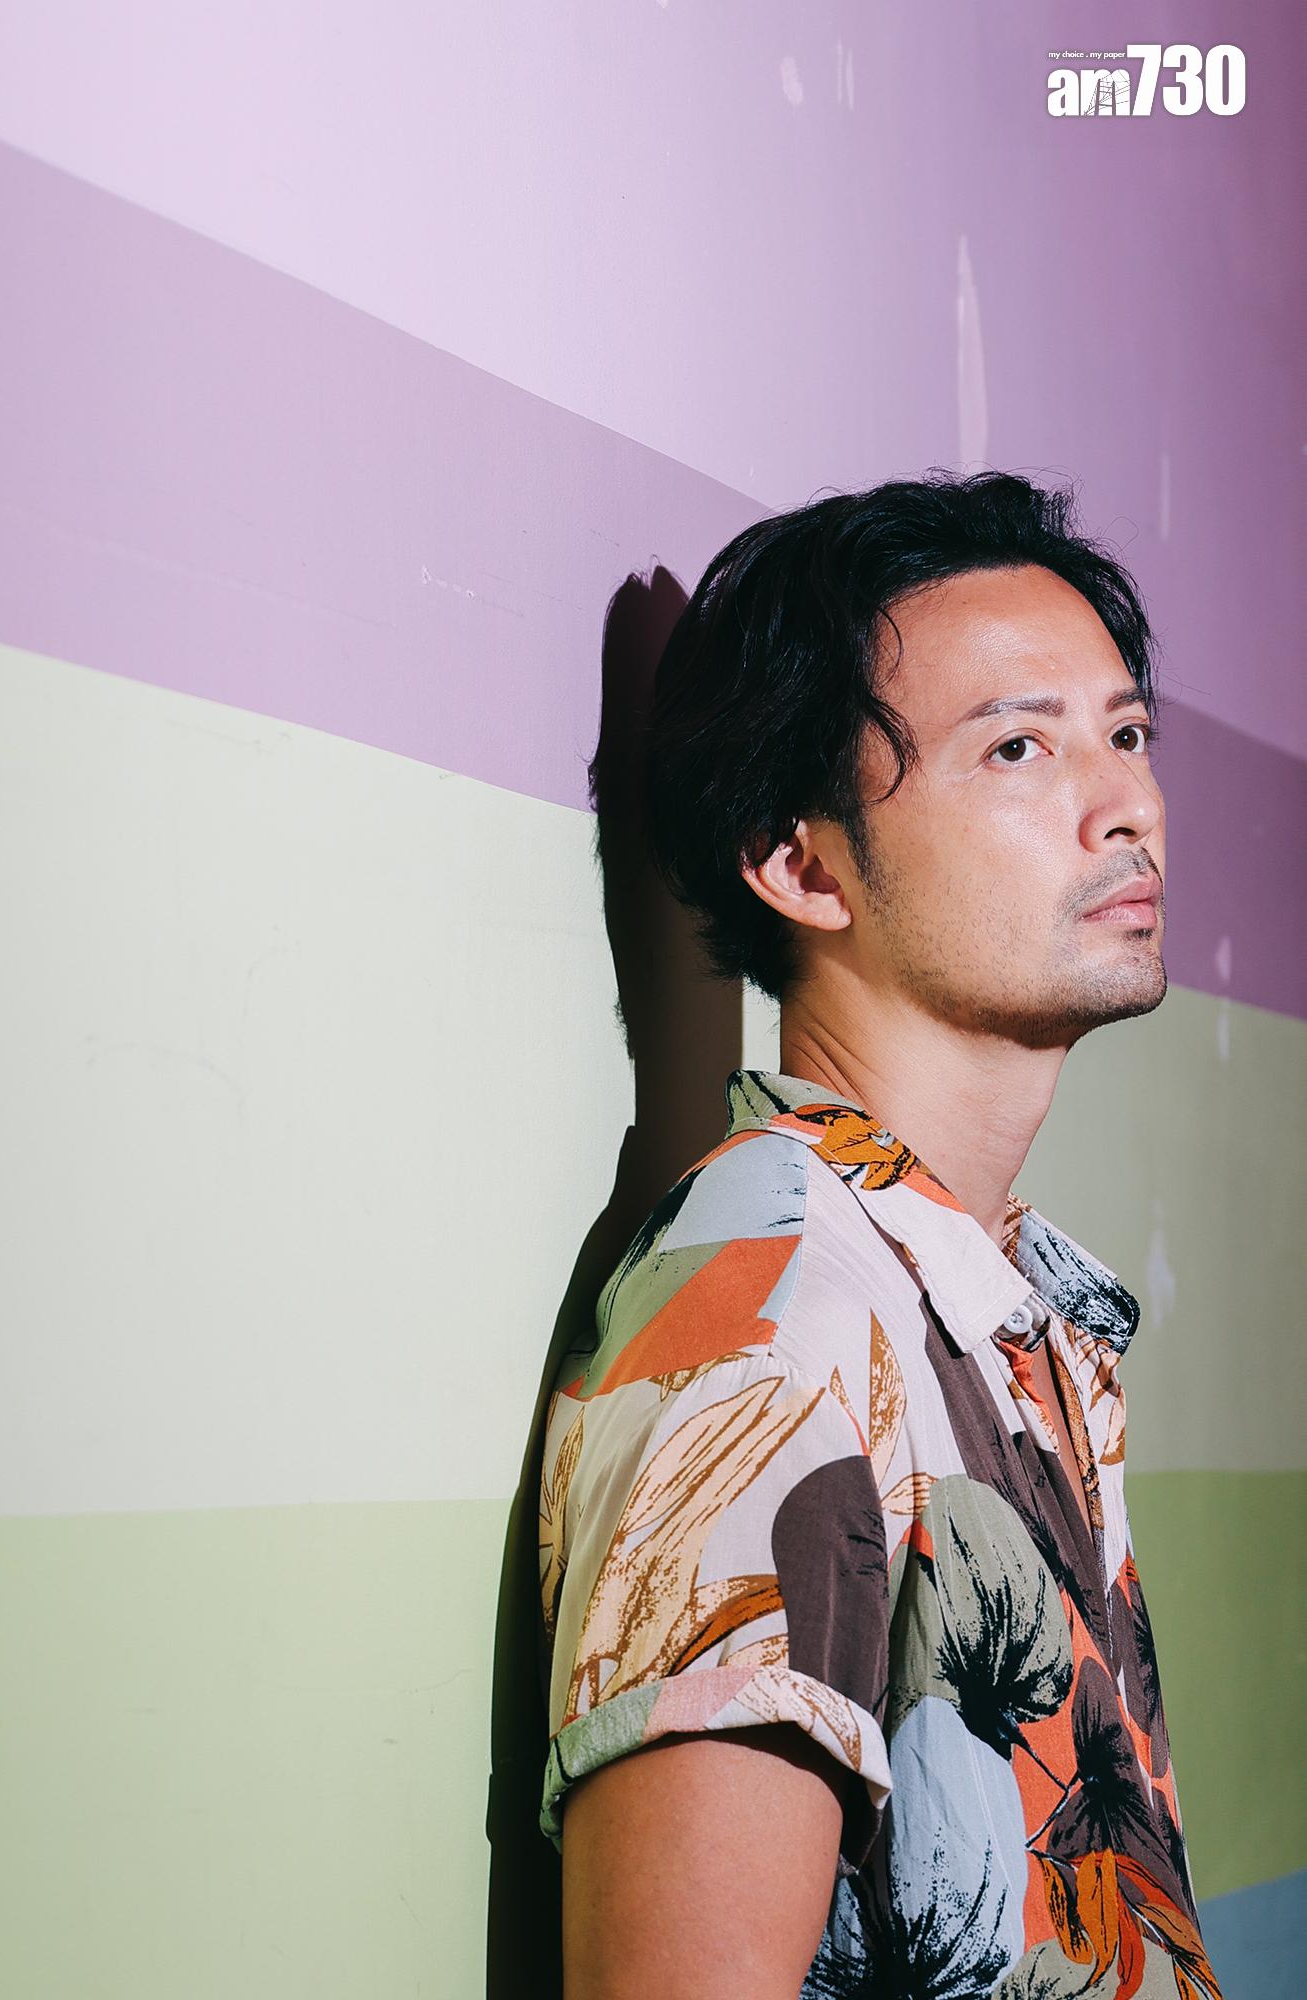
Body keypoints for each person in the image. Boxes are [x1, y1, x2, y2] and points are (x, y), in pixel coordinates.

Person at [534, 470, 1224, 1998]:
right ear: (800, 864)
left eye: (1122, 735)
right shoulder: (775, 1323)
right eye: (1016, 747)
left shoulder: (989, 1296)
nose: (1124, 805)